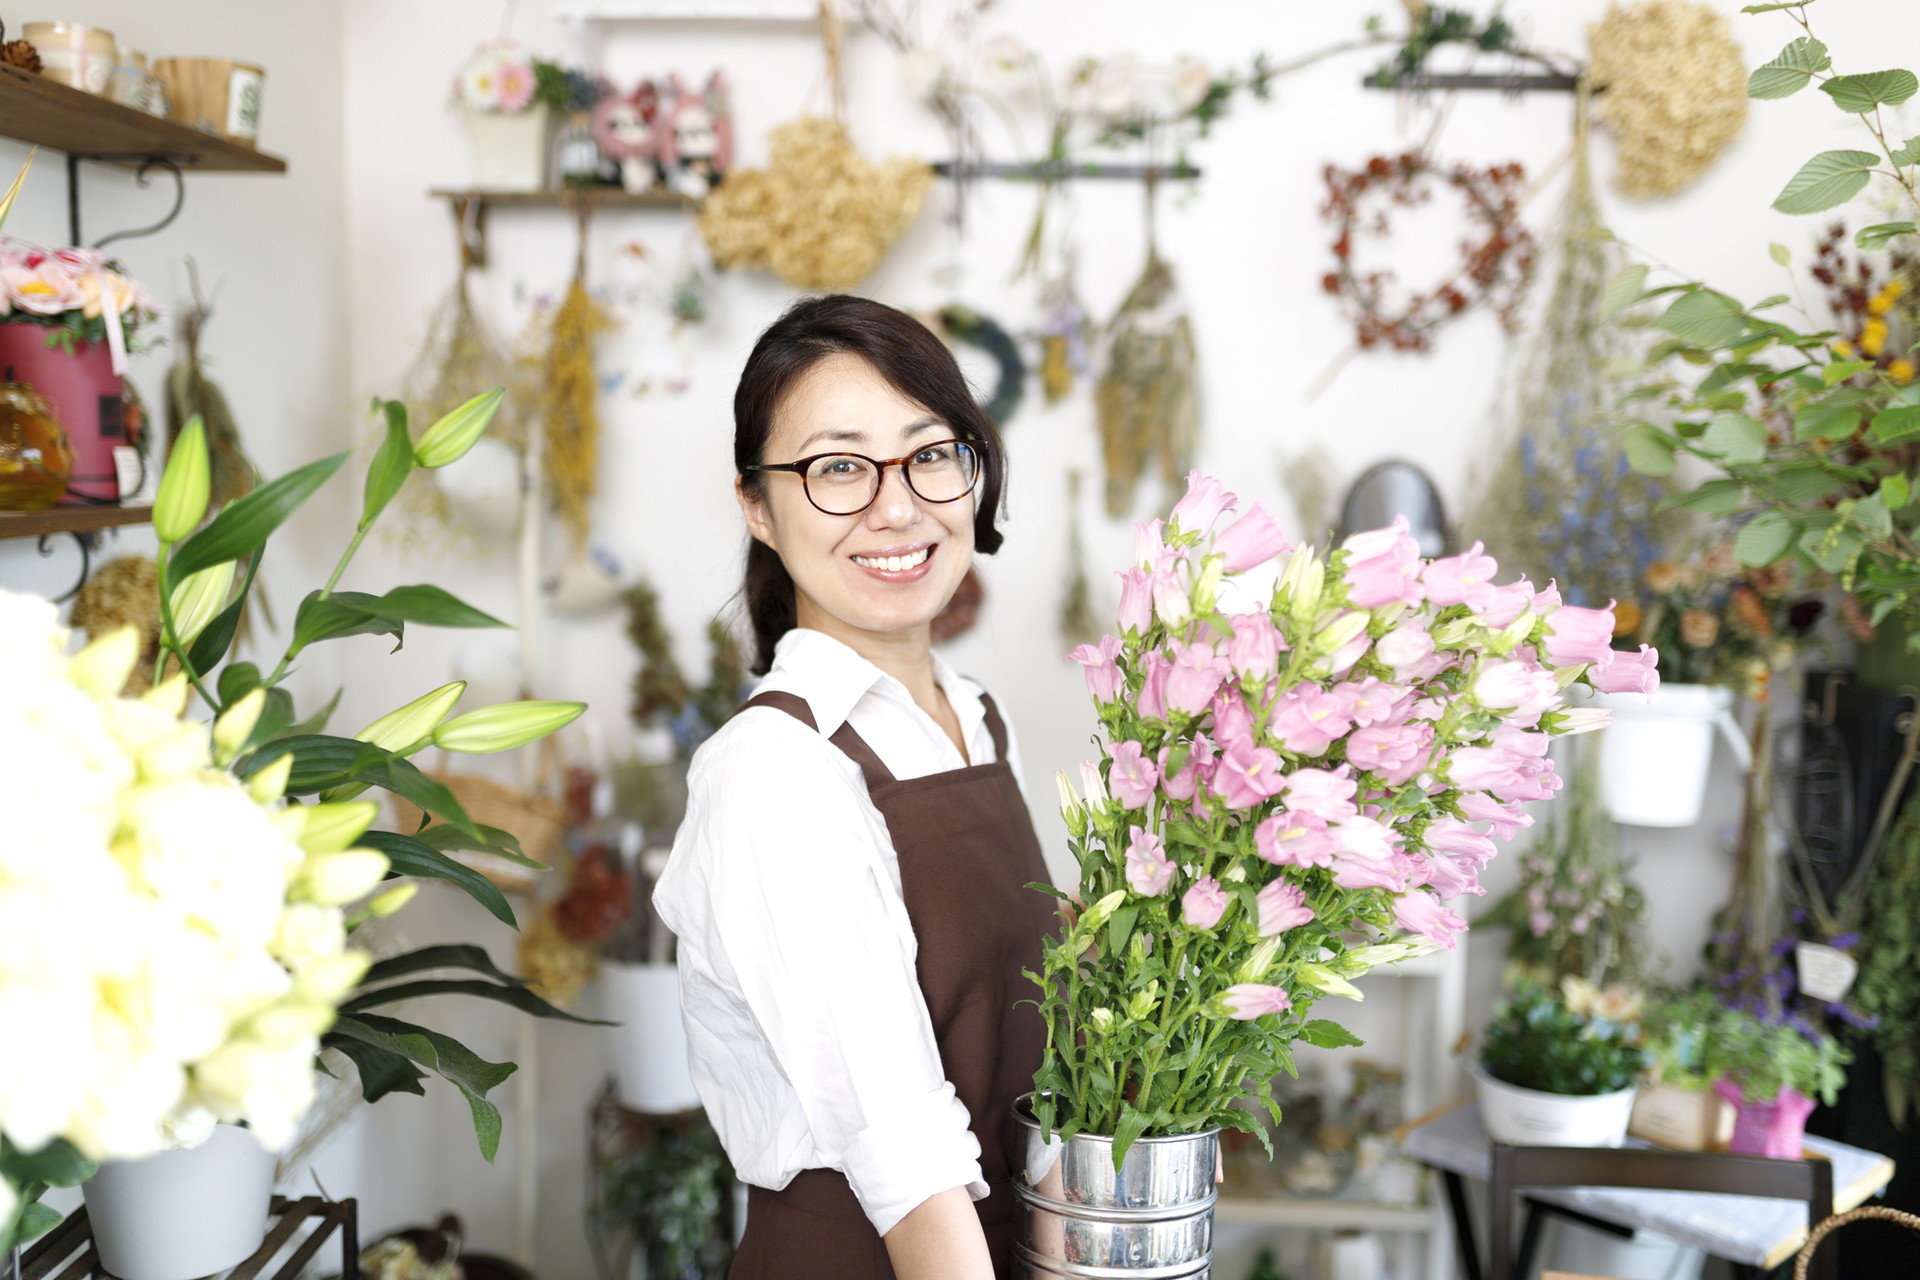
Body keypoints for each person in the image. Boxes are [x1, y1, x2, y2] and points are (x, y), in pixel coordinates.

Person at [653, 294, 1055, 1280]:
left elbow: (1033, 1076)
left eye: (930, 453)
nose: (897, 506)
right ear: (757, 505)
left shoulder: (978, 719)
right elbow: (910, 1166)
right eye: (838, 467)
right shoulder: (774, 771)